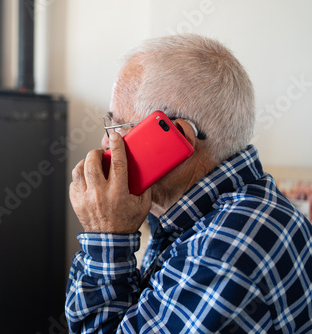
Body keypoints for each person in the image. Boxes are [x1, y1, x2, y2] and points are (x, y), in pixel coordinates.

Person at [65, 34, 312, 333]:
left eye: (116, 126)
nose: (106, 142)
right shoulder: (245, 205)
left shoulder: (221, 254)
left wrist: (106, 237)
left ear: (175, 135)